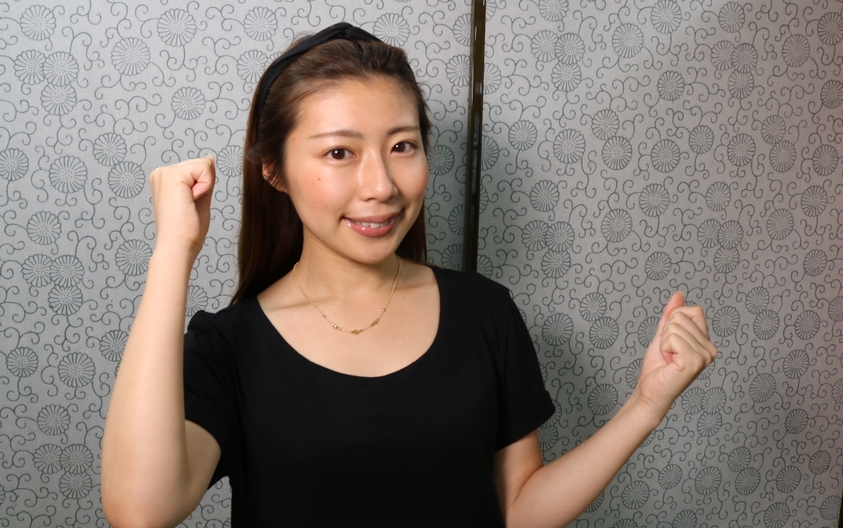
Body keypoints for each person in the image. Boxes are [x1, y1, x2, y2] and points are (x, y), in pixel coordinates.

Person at [101, 23, 717, 528]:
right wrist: (174, 251)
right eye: (339, 152)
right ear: (274, 172)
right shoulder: (229, 346)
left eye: (402, 146)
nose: (381, 186)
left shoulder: (485, 311)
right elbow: (140, 511)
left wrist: (646, 404)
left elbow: (516, 510)